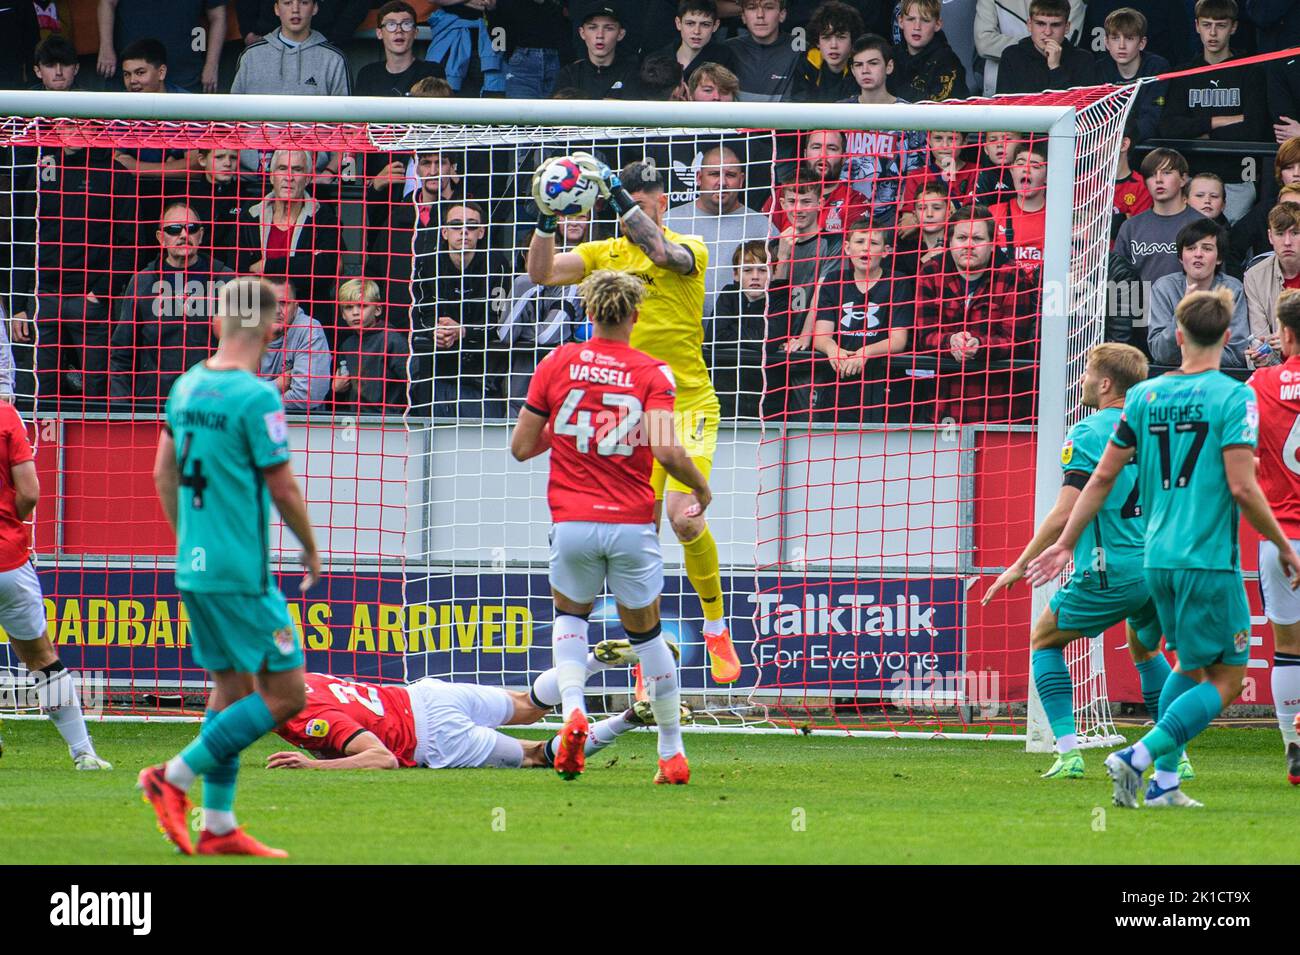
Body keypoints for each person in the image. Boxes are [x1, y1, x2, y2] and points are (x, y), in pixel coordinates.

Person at [1027, 288, 1300, 809]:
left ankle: (1165, 785)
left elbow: (1102, 476)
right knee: (1225, 678)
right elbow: (1243, 487)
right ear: (1227, 337)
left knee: (1188, 668)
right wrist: (1282, 542)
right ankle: (1138, 756)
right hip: (1207, 559)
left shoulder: (1144, 398)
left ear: (1177, 336)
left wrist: (1064, 543)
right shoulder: (1233, 394)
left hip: (1158, 559)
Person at [527, 159, 743, 685]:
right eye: (632, 200)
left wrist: (618, 192)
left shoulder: (691, 247)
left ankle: (715, 626)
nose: (638, 209)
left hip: (687, 401)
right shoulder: (603, 255)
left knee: (685, 519)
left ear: (664, 202)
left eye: (649, 200)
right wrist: (547, 218)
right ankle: (647, 654)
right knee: (635, 530)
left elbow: (659, 251)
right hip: (630, 412)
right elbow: (541, 273)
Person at [140, 276, 321, 856]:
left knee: (231, 688)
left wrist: (190, 540)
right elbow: (283, 485)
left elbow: (162, 473)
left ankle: (217, 824)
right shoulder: (257, 396)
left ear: (216, 322)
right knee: (288, 694)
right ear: (273, 329)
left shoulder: (187, 385)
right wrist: (312, 547)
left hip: (194, 564)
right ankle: (173, 776)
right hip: (241, 569)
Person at [510, 268, 713, 783]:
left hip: (572, 521)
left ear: (591, 312)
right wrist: (701, 488)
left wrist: (572, 428)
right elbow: (667, 449)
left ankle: (574, 710)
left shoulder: (556, 362)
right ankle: (671, 754)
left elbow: (520, 448)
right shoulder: (653, 373)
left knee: (571, 621)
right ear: (636, 315)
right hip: (630, 523)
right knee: (647, 639)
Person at [984, 344, 1193, 781]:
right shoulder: (1160, 427)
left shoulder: (1088, 432)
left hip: (1109, 568)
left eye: (1086, 373)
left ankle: (1068, 754)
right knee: (1145, 646)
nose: (1080, 381)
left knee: (1044, 639)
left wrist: (1020, 564)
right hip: (1161, 563)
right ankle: (1175, 755)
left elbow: (1065, 511)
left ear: (1105, 383)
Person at [267, 665, 681, 770]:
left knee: (539, 755)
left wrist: (314, 764)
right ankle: (590, 661)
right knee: (529, 704)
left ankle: (628, 718)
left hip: (432, 737)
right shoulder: (303, 678)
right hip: (427, 694)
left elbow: (381, 759)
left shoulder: (307, 716)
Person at [0, 397, 111, 769]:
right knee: (42, 659)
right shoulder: (5, 416)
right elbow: (30, 492)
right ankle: (83, 753)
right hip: (8, 561)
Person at [914, 204, 1039, 423]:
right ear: (950, 242)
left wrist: (979, 345)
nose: (969, 245)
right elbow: (925, 335)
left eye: (978, 239)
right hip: (943, 406)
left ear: (992, 244)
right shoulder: (931, 272)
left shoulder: (1012, 276)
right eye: (962, 238)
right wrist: (950, 341)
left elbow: (1015, 340)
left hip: (998, 408)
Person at [1245, 288, 1300, 784]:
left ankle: (1292, 744)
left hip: (1282, 538)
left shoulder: (1258, 384)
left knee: (1289, 647)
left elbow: (1241, 455)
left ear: (1284, 334)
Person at [1157, 0, 1270, 224]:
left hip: (1237, 178)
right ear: (1197, 26)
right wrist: (1220, 121)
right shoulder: (1183, 73)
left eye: (1221, 25)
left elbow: (1255, 128)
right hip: (1193, 178)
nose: (1213, 32)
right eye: (1207, 25)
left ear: (1234, 27)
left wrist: (1202, 132)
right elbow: (1169, 127)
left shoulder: (1251, 70)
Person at [109, 203, 234, 403]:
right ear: (160, 237)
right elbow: (122, 353)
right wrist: (120, 409)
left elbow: (246, 349)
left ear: (201, 235)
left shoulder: (228, 281)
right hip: (154, 405)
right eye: (174, 230)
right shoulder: (142, 282)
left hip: (212, 405)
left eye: (191, 229)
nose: (184, 235)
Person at [810, 218, 911, 422]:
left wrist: (866, 352)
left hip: (882, 387)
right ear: (847, 248)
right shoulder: (833, 280)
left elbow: (898, 341)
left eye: (873, 243)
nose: (866, 248)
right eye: (859, 241)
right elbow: (820, 337)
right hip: (838, 385)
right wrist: (833, 350)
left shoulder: (898, 282)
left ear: (886, 250)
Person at [664, 142, 773, 316]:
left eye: (730, 175)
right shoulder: (669, 222)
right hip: (679, 332)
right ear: (699, 178)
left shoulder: (763, 227)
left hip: (738, 336)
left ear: (742, 180)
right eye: (714, 174)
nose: (722, 182)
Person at [235, 148, 342, 317]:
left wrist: (267, 266)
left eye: (297, 170)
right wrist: (300, 265)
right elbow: (239, 269)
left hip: (308, 316)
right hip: (257, 313)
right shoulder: (251, 214)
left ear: (307, 178)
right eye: (282, 168)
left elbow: (324, 269)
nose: (289, 177)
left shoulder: (323, 217)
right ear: (271, 176)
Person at [1147, 218, 1248, 368]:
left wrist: (1191, 353)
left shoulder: (1233, 289)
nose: (1198, 254)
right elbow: (1160, 353)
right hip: (1174, 376)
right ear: (1181, 257)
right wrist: (1183, 311)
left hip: (1219, 376)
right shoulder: (1164, 288)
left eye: (1207, 248)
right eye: (1191, 248)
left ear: (1219, 258)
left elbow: (1237, 354)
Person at [97, 0, 227, 93]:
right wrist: (106, 48)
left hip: (184, 71)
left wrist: (211, 65)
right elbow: (107, 3)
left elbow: (217, 16)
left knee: (185, 129)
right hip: (131, 71)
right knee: (123, 129)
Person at [231, 0, 351, 97]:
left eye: (304, 2)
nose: (295, 10)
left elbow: (345, 122)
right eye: (287, 3)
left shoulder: (334, 59)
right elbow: (234, 114)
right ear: (276, 9)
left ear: (315, 8)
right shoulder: (251, 56)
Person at [1091, 7, 1169, 145]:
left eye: (1129, 38)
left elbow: (1153, 118)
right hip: (1105, 146)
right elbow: (1095, 116)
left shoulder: (1157, 67)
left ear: (1142, 43)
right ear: (1106, 43)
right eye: (1115, 38)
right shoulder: (1099, 69)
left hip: (1146, 145)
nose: (1121, 45)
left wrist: (1122, 137)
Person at [330, 279, 408, 417]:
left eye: (362, 306)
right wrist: (337, 389)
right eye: (348, 307)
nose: (355, 312)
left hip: (390, 421)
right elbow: (341, 395)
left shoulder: (393, 341)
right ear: (342, 314)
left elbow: (413, 384)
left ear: (378, 309)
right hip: (353, 421)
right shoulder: (346, 345)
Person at [259, 276, 330, 412]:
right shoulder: (243, 329)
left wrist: (254, 405)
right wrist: (277, 385)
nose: (276, 310)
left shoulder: (309, 329)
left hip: (304, 427)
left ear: (296, 307)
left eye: (283, 303)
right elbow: (230, 392)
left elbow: (307, 396)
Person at [994, 0, 1093, 95]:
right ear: (1029, 25)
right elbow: (1003, 106)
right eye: (1041, 24)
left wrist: (1055, 68)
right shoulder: (1012, 56)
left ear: (1067, 27)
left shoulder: (1083, 60)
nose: (1048, 32)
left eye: (1055, 25)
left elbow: (1078, 108)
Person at [352, 1, 446, 98]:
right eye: (391, 25)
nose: (399, 30)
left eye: (406, 24)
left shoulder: (431, 73)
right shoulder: (368, 74)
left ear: (415, 32)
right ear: (379, 33)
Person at [1245, 204, 1300, 360]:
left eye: (1295, 233)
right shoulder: (1255, 276)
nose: (1287, 242)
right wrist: (1262, 359)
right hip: (1278, 372)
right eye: (1280, 234)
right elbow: (1259, 338)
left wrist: (1291, 343)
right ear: (1270, 237)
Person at [891, 0, 970, 102]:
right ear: (900, 21)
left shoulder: (948, 63)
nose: (917, 27)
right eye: (911, 19)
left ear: (937, 24)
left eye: (925, 20)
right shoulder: (890, 57)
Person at [554, 7, 640, 99]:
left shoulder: (634, 74)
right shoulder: (569, 75)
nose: (600, 35)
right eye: (592, 28)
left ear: (620, 34)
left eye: (609, 28)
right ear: (582, 33)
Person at [422, 0, 505, 95]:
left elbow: (499, 3)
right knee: (444, 96)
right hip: (450, 40)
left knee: (492, 99)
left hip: (494, 39)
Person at [988, 138, 1047, 266]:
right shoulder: (993, 213)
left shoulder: (1059, 218)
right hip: (1004, 285)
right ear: (1011, 170)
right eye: (1020, 164)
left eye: (1035, 166)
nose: (1026, 169)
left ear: (1047, 176)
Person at [725, 0, 799, 101]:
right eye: (752, 8)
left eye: (768, 7)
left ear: (782, 15)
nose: (760, 15)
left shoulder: (800, 50)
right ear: (743, 16)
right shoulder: (726, 50)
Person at [791, 0, 861, 103]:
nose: (833, 45)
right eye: (826, 37)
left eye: (841, 37)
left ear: (852, 40)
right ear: (817, 42)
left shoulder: (861, 67)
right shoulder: (806, 65)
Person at [659, 0, 737, 83]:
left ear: (715, 26)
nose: (697, 31)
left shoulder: (724, 57)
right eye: (690, 23)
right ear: (678, 23)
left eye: (705, 24)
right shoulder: (659, 58)